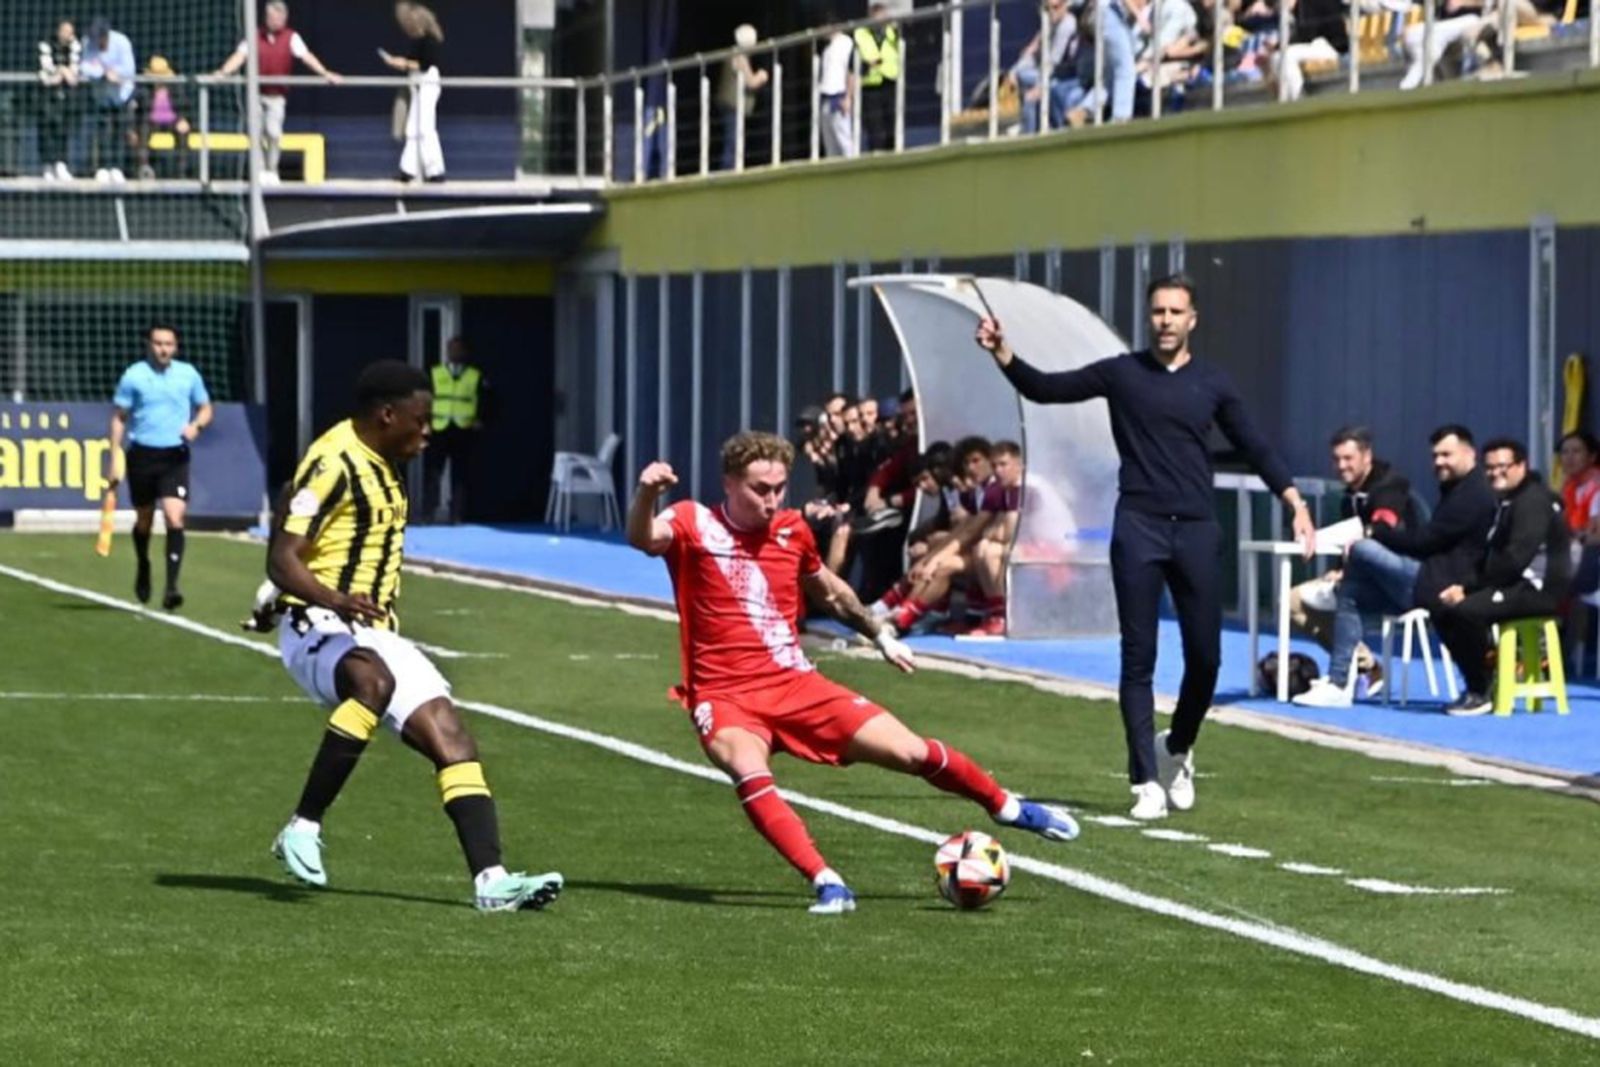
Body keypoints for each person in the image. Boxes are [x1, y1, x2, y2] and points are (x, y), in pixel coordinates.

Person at [627, 431, 1079, 914]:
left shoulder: (791, 530)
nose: (773, 499)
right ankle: (827, 881)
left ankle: (1006, 806)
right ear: (731, 483)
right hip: (724, 695)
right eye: (761, 489)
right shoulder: (694, 521)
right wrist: (649, 494)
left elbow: (829, 591)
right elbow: (643, 537)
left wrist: (879, 634)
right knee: (748, 771)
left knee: (910, 750)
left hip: (796, 684)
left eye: (780, 488)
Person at [977, 273, 1316, 820]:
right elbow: (1046, 388)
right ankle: (1145, 783)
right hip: (1139, 525)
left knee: (1206, 659)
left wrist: (1295, 503)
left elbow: (1256, 446)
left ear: (1192, 320)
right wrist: (1005, 352)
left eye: (1175, 312)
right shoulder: (1122, 373)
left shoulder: (1213, 383)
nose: (1165, 321)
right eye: (1158, 312)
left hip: (1197, 530)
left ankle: (1177, 746)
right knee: (1139, 658)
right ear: (1149, 317)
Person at [263, 360, 561, 911]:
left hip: (371, 627)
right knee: (370, 684)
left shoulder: (386, 461)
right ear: (387, 414)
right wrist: (324, 598)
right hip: (317, 622)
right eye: (421, 422)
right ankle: (302, 826)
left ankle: (491, 882)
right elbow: (282, 556)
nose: (428, 433)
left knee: (452, 736)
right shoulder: (334, 462)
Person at [1294, 425, 1497, 709]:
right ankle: (1339, 683)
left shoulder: (1402, 486)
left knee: (1362, 550)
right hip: (1419, 577)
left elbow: (1424, 541)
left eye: (1446, 454)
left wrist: (1373, 536)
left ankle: (1346, 678)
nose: (1438, 462)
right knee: (1347, 592)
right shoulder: (1454, 488)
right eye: (1435, 455)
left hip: (1433, 581)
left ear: (1469, 453)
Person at [1433, 438, 1570, 716]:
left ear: (1521, 466)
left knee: (1465, 612)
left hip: (1538, 591)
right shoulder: (1508, 501)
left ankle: (1481, 688)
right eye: (1490, 468)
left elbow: (1514, 560)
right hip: (1515, 584)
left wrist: (1469, 589)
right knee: (1441, 609)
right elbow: (1492, 558)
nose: (1496, 473)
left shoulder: (1532, 502)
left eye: (1503, 466)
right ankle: (1484, 676)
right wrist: (1462, 585)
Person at [1287, 425, 1416, 697]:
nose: (1341, 466)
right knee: (1292, 601)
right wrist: (1337, 570)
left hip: (1400, 585)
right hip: (1357, 582)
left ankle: (1339, 679)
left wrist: (1359, 550)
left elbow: (1382, 525)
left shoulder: (1391, 485)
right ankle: (1365, 665)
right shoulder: (1348, 497)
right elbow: (1346, 542)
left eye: (1348, 459)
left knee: (1347, 593)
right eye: (1336, 459)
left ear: (1366, 456)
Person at [106, 324, 212, 610]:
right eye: (158, 343)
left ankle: (172, 587)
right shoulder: (134, 376)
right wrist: (114, 455)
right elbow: (120, 417)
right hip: (142, 455)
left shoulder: (188, 374)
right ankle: (143, 564)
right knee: (144, 519)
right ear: (148, 345)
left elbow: (205, 408)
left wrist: (196, 426)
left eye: (169, 344)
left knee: (175, 517)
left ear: (176, 347)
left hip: (174, 456)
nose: (164, 349)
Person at [214, 1, 343, 183]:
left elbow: (306, 56)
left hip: (277, 96)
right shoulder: (254, 36)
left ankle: (271, 169)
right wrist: (223, 72)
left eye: (281, 17)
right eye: (273, 17)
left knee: (274, 133)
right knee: (255, 133)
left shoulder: (291, 37)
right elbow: (239, 56)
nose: (277, 20)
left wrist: (325, 73)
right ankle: (258, 172)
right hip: (255, 94)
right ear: (267, 18)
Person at [381, 2, 446, 182]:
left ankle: (435, 170)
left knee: (425, 127)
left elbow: (424, 64)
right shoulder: (418, 41)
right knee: (412, 127)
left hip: (426, 83)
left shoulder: (429, 40)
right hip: (417, 84)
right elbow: (413, 61)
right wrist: (401, 61)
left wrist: (402, 63)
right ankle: (408, 169)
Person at [425, 336, 486, 523]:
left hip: (463, 429)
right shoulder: (435, 373)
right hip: (439, 427)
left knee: (461, 474)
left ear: (465, 352)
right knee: (434, 471)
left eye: (458, 349)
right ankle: (429, 513)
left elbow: (486, 400)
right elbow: (424, 398)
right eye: (451, 349)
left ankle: (456, 515)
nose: (455, 353)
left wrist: (480, 419)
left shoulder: (474, 376)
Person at [79, 16, 136, 181]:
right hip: (101, 96)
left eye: (100, 38)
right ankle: (103, 167)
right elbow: (85, 67)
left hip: (121, 95)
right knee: (102, 131)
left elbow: (129, 69)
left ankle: (117, 167)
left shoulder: (122, 42)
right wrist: (103, 73)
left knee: (119, 131)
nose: (98, 42)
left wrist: (115, 73)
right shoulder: (88, 43)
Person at [1008, 0, 1078, 134]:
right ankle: (1030, 122)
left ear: (1065, 5)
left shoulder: (1067, 25)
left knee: (1030, 98)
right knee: (1022, 75)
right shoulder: (1049, 24)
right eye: (1047, 9)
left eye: (1055, 7)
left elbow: (1053, 62)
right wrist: (1014, 71)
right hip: (1049, 73)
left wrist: (1039, 87)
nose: (1051, 12)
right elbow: (1032, 52)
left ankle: (1029, 134)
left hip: (1065, 76)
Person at [715, 24, 769, 171]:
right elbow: (751, 82)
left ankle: (730, 167)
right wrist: (762, 76)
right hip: (733, 104)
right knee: (733, 140)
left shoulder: (732, 53)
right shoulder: (740, 57)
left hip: (727, 102)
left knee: (731, 138)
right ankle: (729, 169)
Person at [36, 18, 81, 181]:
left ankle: (61, 163)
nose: (68, 35)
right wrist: (61, 70)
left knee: (63, 130)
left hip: (66, 97)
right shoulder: (45, 46)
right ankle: (47, 165)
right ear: (58, 31)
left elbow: (74, 75)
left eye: (71, 32)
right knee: (47, 130)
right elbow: (46, 73)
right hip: (47, 97)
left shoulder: (75, 46)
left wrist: (63, 72)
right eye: (65, 31)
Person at [853, 3, 901, 151]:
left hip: (890, 81)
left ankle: (893, 154)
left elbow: (901, 48)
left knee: (892, 123)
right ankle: (877, 155)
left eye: (884, 15)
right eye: (879, 15)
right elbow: (862, 56)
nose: (882, 19)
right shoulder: (862, 32)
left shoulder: (891, 31)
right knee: (875, 127)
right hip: (871, 84)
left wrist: (895, 28)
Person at [817, 16, 857, 159]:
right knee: (829, 143)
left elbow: (851, 71)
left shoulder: (846, 43)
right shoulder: (827, 50)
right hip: (825, 96)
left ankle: (853, 170)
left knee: (844, 139)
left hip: (839, 95)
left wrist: (848, 97)